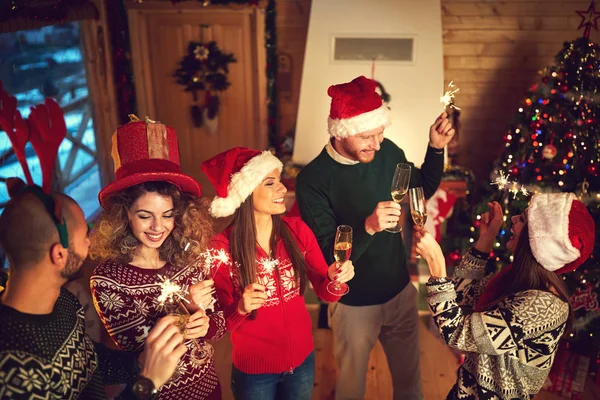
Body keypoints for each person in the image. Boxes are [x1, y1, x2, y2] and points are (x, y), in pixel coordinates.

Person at [295, 75, 455, 399]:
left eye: (381, 132)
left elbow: (418, 191)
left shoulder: (387, 151)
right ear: (341, 132)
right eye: (368, 136)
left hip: (400, 294)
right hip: (354, 305)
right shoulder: (312, 180)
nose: (378, 143)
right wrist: (368, 225)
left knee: (411, 388)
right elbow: (329, 255)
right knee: (351, 390)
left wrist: (435, 149)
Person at [0, 179, 187, 400]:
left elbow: (89, 360)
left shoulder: (65, 302)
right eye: (84, 235)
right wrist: (147, 384)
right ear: (59, 255)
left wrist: (140, 362)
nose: (89, 242)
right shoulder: (13, 367)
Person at [201, 147, 355, 400]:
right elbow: (215, 323)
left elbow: (326, 294)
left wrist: (336, 278)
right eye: (270, 183)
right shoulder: (221, 248)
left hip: (303, 362)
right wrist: (240, 307)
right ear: (246, 193)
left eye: (280, 181)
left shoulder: (297, 230)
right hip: (254, 374)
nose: (283, 189)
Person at [88, 117, 225, 400]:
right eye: (144, 216)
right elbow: (137, 351)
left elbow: (218, 322)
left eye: (167, 215)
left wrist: (207, 324)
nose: (157, 227)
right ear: (124, 214)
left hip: (210, 389)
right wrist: (186, 308)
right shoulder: (108, 279)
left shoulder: (190, 257)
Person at [414, 194, 595, 399]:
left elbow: (458, 333)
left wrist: (436, 264)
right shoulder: (516, 279)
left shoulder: (543, 306)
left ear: (538, 239)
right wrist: (485, 240)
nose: (514, 219)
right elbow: (461, 298)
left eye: (524, 219)